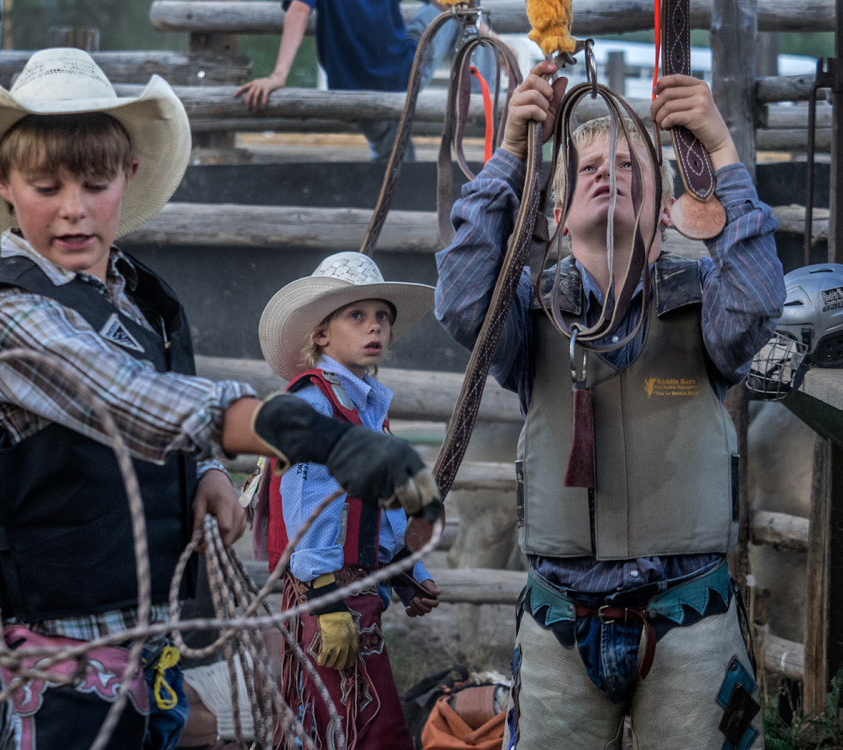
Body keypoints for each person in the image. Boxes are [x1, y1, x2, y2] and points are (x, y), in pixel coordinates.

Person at [0, 47, 440, 750]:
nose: (73, 210)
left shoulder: (137, 300)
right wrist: (320, 437)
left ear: (126, 177)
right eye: (46, 186)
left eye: (94, 182)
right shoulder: (5, 319)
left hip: (148, 633)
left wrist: (206, 472)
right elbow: (128, 397)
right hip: (56, 644)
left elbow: (165, 388)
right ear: (3, 181)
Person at [434, 59, 785, 749]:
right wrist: (512, 152)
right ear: (559, 217)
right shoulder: (530, 315)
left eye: (629, 165)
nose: (607, 170)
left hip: (689, 617)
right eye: (588, 164)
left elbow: (757, 300)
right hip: (561, 622)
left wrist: (720, 150)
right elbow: (462, 301)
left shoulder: (705, 307)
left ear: (661, 213)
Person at [255, 251, 443, 748]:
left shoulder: (366, 407)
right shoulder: (316, 404)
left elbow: (374, 514)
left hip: (358, 595)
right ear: (321, 335)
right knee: (357, 729)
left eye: (382, 316)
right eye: (356, 316)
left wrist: (407, 573)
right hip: (330, 595)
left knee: (352, 727)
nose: (374, 326)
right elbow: (311, 504)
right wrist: (325, 599)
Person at [236, 0, 486, 162]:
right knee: (393, 153)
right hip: (404, 75)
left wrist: (279, 75)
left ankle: (480, 96)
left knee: (392, 150)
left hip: (352, 84)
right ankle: (481, 102)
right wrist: (490, 34)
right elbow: (453, 6)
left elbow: (299, 9)